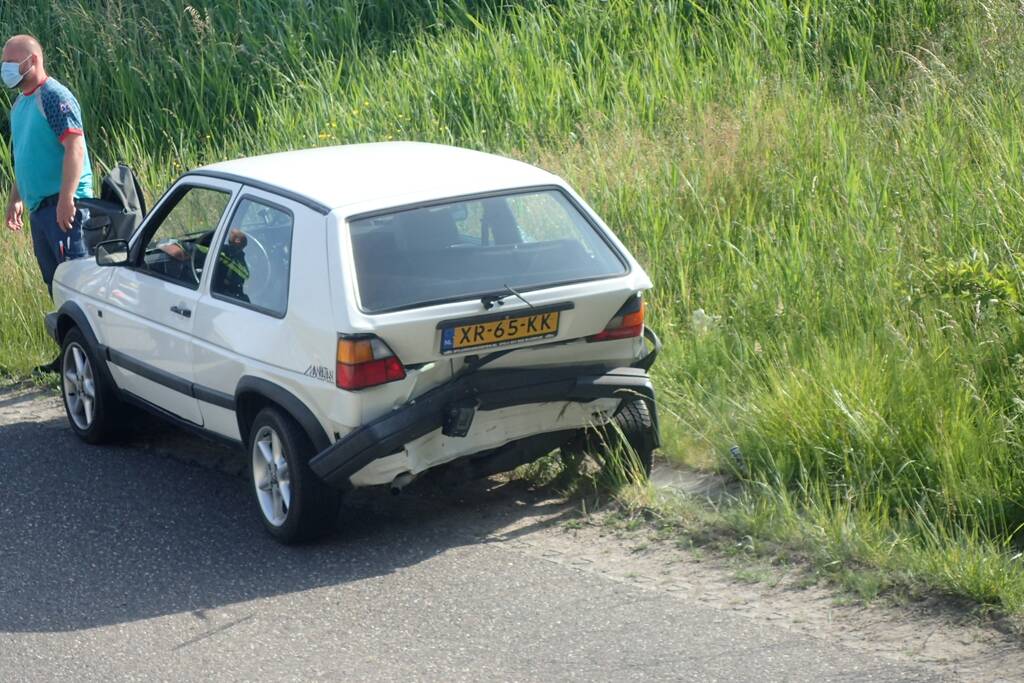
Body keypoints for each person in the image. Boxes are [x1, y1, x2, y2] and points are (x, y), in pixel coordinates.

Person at [2, 35, 93, 371]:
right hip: (41, 208)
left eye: (11, 62)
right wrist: (17, 199)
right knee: (55, 282)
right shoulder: (19, 105)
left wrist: (68, 198)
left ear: (33, 61)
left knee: (77, 282)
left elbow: (74, 147)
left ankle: (90, 359)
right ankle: (70, 354)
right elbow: (24, 156)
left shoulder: (53, 96)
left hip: (65, 205)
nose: (6, 68)